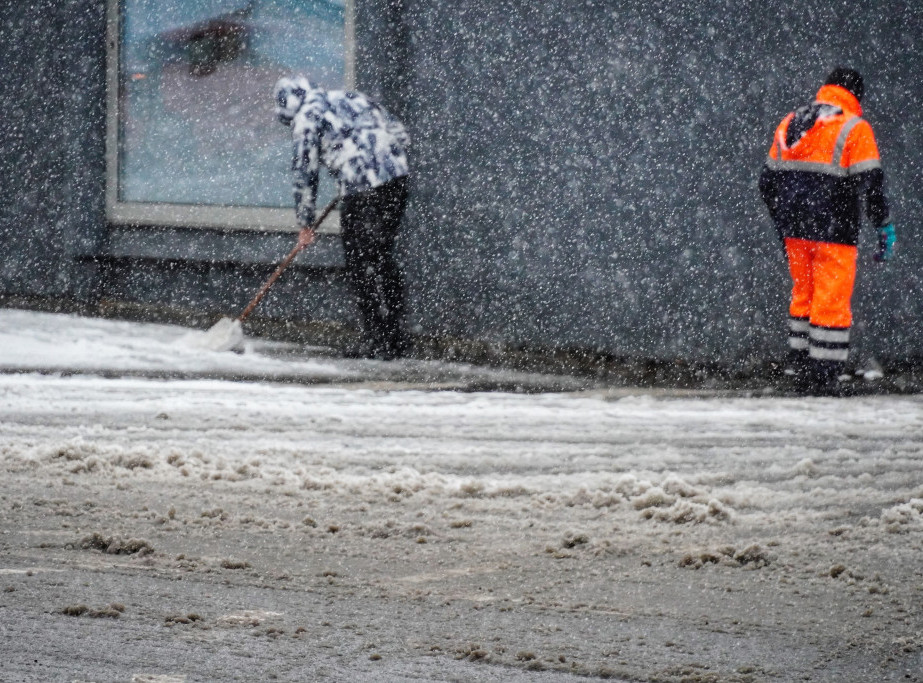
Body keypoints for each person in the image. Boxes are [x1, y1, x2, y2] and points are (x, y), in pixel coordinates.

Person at [759, 67, 895, 395]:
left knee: (803, 295)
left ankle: (799, 367)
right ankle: (824, 377)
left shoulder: (791, 121)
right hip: (836, 230)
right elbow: (871, 185)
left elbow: (766, 183)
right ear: (856, 95)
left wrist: (784, 224)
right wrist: (883, 225)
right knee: (831, 300)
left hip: (795, 230)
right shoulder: (854, 127)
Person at [274, 76, 411, 360]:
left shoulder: (305, 118)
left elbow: (304, 172)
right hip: (396, 180)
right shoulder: (352, 97)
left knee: (360, 265)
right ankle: (396, 336)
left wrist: (305, 223)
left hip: (362, 190)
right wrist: (372, 160)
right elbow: (400, 134)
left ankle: (377, 340)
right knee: (381, 257)